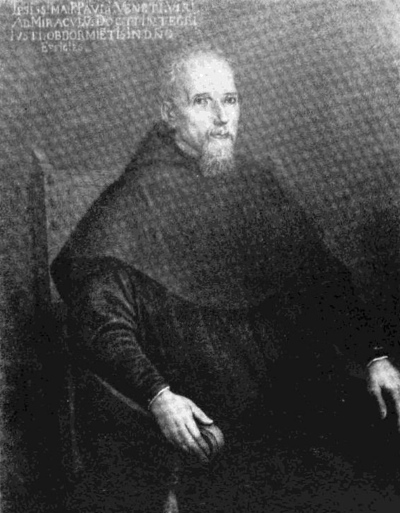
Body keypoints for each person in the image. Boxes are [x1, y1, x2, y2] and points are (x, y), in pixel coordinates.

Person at [51, 45, 400, 512]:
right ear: (168, 115)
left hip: (287, 395)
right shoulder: (131, 202)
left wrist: (374, 355)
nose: (221, 118)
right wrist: (158, 395)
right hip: (203, 412)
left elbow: (322, 278)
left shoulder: (257, 184)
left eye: (230, 100)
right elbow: (101, 323)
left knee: (378, 443)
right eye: (202, 102)